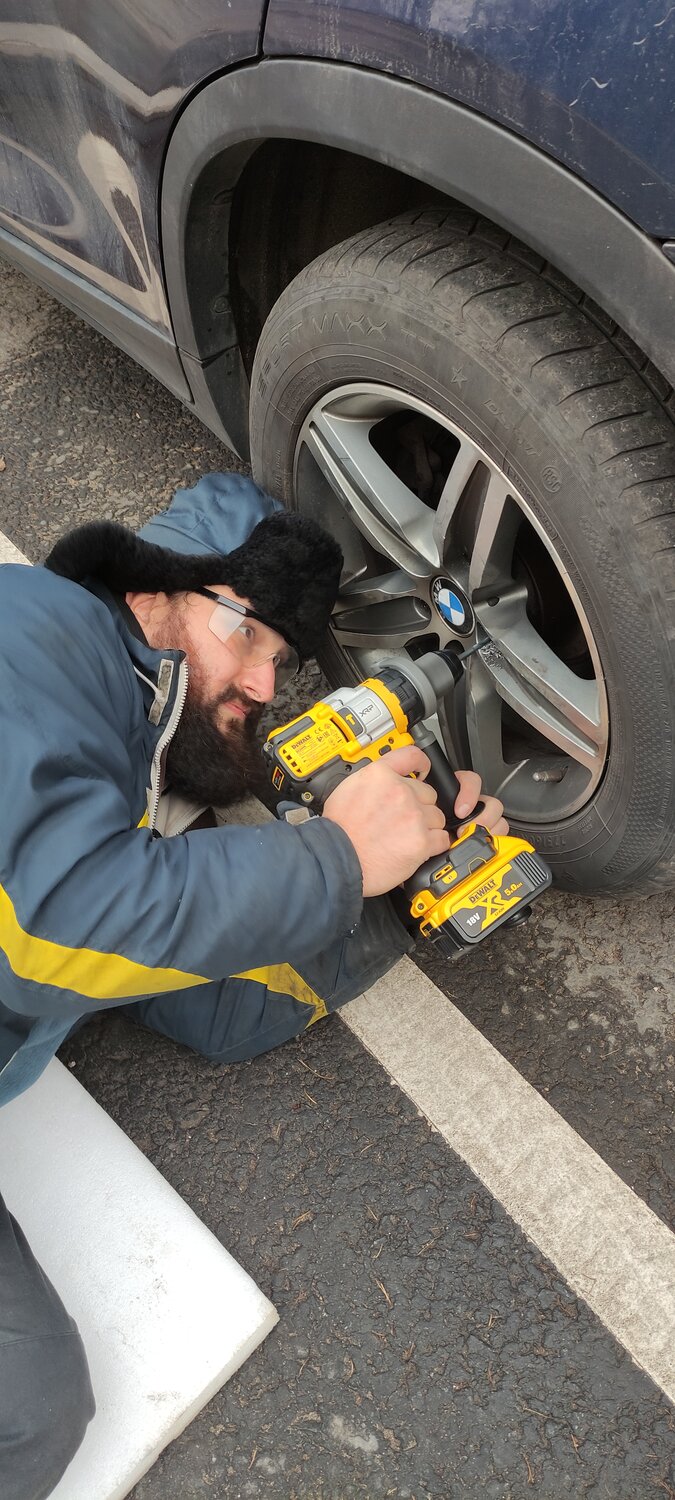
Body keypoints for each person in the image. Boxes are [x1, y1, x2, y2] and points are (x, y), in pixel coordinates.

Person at [0, 473, 507, 1498]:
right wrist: (333, 857)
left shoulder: (126, 766)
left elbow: (214, 1002)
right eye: (256, 641)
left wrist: (406, 889)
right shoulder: (30, 631)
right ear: (157, 594)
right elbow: (51, 930)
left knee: (36, 1414)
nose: (269, 685)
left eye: (279, 660)